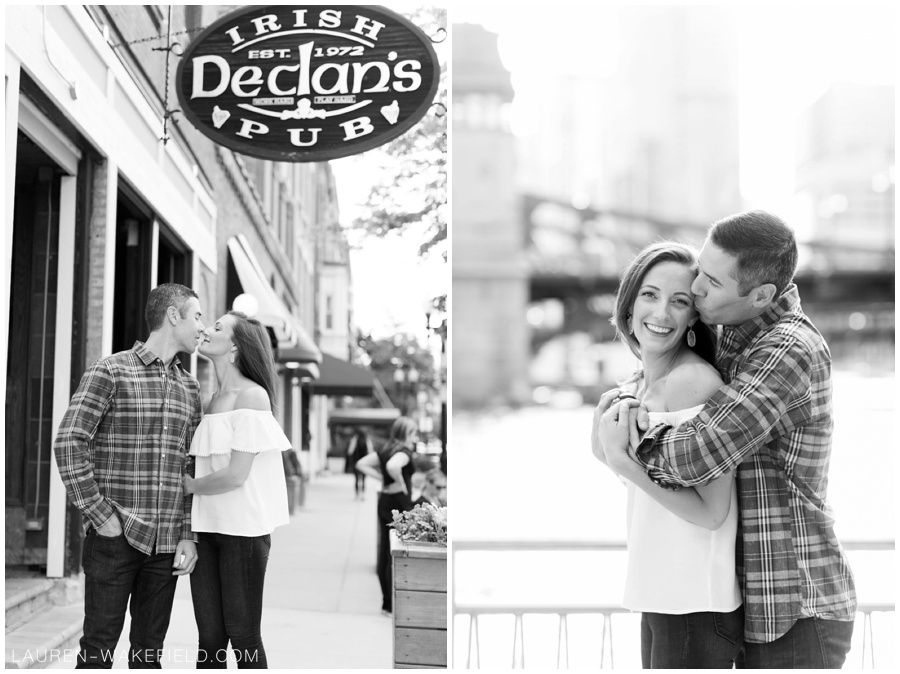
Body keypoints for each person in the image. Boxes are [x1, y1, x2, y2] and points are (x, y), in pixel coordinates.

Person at [595, 211, 857, 669]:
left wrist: (625, 441)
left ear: (761, 295)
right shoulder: (735, 335)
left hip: (796, 602)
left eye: (709, 283)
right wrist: (625, 414)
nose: (695, 292)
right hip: (748, 595)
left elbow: (698, 454)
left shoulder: (788, 350)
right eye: (699, 273)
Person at [591, 241, 743, 668]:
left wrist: (623, 463)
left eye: (679, 301)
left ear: (694, 315)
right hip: (662, 595)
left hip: (695, 602)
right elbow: (653, 494)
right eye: (650, 294)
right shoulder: (640, 385)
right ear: (630, 301)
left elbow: (712, 513)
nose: (660, 314)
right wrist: (604, 450)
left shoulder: (692, 383)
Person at [54, 283, 205, 668]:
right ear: (174, 316)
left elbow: (188, 467)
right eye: (197, 316)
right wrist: (100, 515)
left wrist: (187, 534)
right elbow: (70, 441)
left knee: (149, 655)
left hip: (167, 544)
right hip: (115, 537)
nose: (202, 327)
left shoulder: (191, 387)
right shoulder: (111, 370)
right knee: (98, 651)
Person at [182, 311, 290, 669]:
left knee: (244, 637)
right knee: (210, 640)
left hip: (243, 532)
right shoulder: (212, 399)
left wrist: (189, 486)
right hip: (208, 530)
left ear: (234, 348)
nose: (205, 330)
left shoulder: (252, 397)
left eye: (216, 328)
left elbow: (235, 475)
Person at [354, 416, 418, 614]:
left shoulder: (384, 449)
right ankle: (395, 601)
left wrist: (382, 479)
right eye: (414, 433)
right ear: (406, 434)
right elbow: (393, 466)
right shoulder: (404, 452)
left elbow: (361, 464)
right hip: (400, 503)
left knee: (385, 552)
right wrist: (398, 481)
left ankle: (386, 603)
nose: (416, 437)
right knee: (399, 550)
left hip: (385, 501)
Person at [348, 427, 373, 499]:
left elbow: (350, 451)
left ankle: (357, 494)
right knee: (364, 479)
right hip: (365, 463)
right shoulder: (367, 440)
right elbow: (370, 451)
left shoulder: (355, 439)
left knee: (356, 479)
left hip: (356, 462)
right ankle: (363, 494)